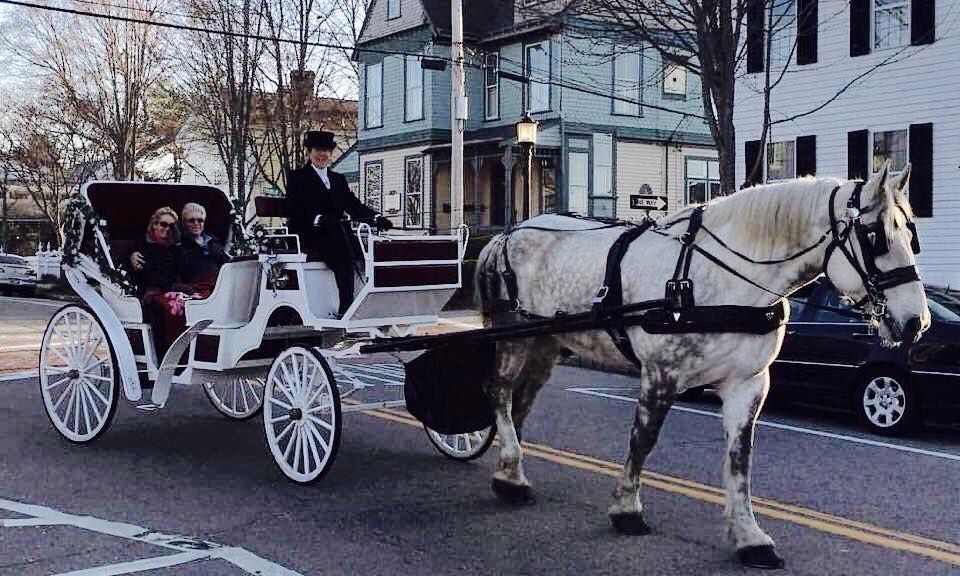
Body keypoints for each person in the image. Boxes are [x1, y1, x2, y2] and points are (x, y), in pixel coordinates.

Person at [285, 130, 393, 316]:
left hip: (337, 232)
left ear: (331, 153)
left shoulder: (338, 179)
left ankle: (370, 301)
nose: (322, 155)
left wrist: (376, 218)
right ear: (309, 152)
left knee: (366, 249)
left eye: (326, 150)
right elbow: (295, 210)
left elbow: (353, 205)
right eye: (318, 150)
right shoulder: (298, 178)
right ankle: (346, 306)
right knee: (341, 250)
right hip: (309, 233)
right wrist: (318, 219)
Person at [129, 207, 194, 355]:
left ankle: (194, 352)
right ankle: (171, 354)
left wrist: (177, 245)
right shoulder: (142, 247)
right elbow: (147, 275)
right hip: (153, 291)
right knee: (173, 308)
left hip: (176, 288)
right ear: (154, 225)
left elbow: (185, 271)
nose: (167, 229)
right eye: (163, 224)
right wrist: (172, 286)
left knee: (197, 302)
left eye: (171, 226)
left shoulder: (176, 248)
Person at [178, 202, 230, 297]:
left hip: (220, 288)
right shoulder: (178, 247)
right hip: (197, 292)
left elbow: (227, 264)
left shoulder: (214, 243)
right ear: (184, 223)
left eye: (200, 220)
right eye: (191, 220)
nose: (196, 223)